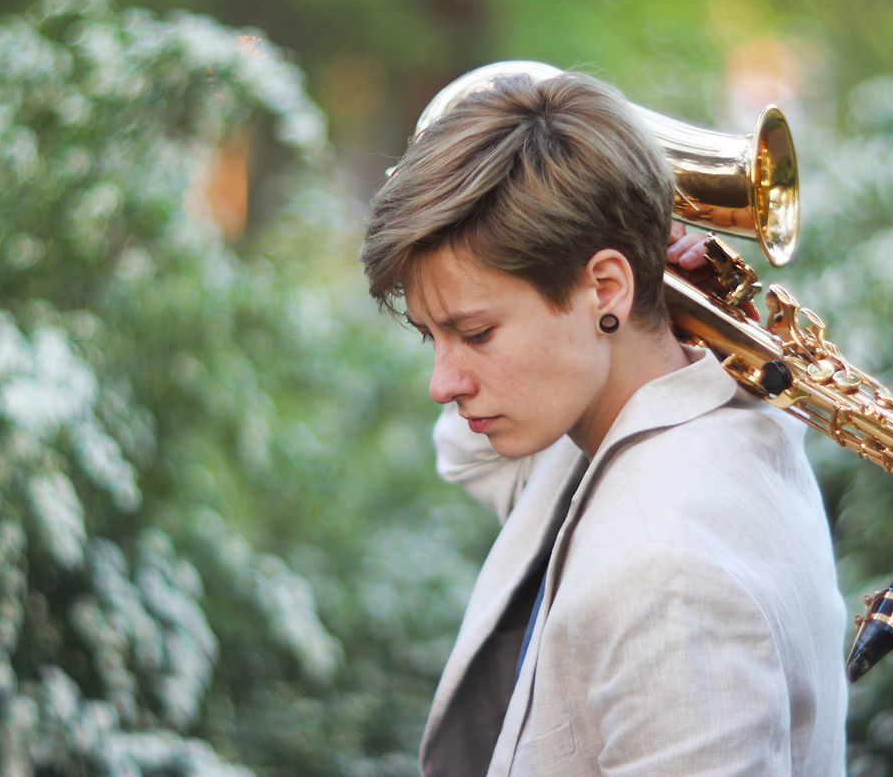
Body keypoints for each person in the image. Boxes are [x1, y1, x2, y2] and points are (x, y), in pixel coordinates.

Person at [360, 67, 847, 775]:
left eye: (476, 333)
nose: (443, 384)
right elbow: (467, 455)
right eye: (430, 336)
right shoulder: (692, 406)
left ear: (606, 286)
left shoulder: (667, 574)